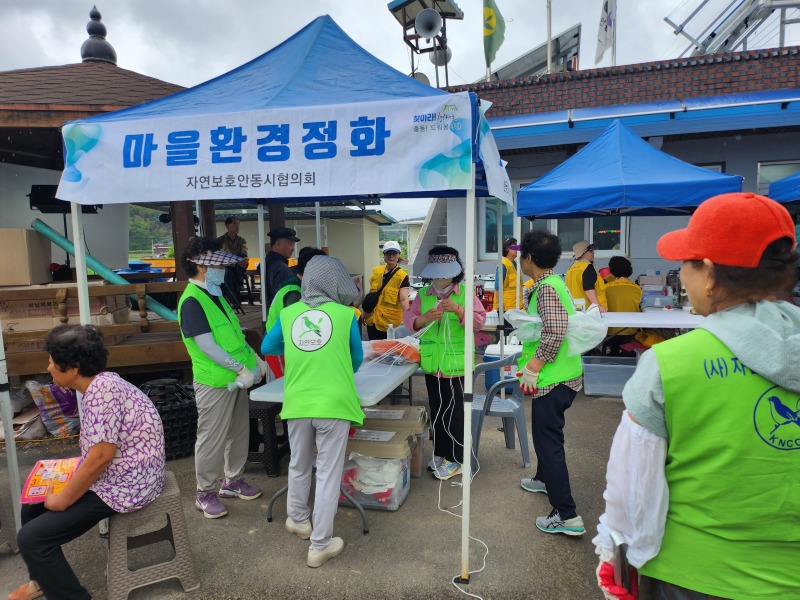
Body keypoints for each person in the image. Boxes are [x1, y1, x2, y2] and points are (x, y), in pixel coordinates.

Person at [593, 192, 800, 600]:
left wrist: (615, 557)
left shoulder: (669, 363)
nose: (682, 277)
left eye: (685, 264)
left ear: (708, 273)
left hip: (691, 576)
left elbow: (633, 494)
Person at [11, 325, 166, 600]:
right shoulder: (100, 384)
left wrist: (63, 499)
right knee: (32, 501)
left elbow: (101, 457)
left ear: (73, 368)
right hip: (121, 474)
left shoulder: (102, 391)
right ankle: (43, 581)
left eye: (52, 362)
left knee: (32, 538)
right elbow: (100, 454)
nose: (48, 367)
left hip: (128, 485)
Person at [260, 255, 364, 568]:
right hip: (334, 403)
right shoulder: (345, 315)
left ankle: (297, 519)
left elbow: (267, 347)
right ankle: (320, 544)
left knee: (299, 462)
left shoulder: (289, 313)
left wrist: (300, 349)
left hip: (298, 402)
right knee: (328, 473)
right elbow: (356, 359)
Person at [177, 237, 266, 519]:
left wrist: (255, 360)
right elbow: (207, 346)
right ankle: (204, 493)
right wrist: (241, 368)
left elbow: (235, 337)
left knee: (239, 431)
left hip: (237, 379)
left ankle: (233, 481)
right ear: (202, 267)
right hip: (215, 382)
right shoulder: (192, 301)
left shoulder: (215, 294)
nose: (223, 270)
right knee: (211, 438)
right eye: (218, 265)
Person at [516, 231, 585, 536]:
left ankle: (566, 515)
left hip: (553, 377)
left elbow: (555, 332)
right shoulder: (553, 283)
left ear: (529, 258)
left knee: (548, 443)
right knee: (547, 437)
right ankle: (544, 479)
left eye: (521, 255)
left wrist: (533, 366)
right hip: (562, 374)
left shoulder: (546, 289)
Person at [403, 246, 487, 481]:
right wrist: (423, 318)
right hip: (433, 365)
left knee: (456, 414)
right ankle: (441, 454)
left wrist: (459, 310)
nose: (440, 280)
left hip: (457, 365)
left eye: (444, 274)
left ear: (455, 273)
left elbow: (479, 322)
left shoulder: (466, 293)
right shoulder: (424, 295)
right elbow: (409, 321)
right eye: (436, 275)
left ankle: (457, 459)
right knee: (438, 411)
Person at [263, 247, 327, 377]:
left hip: (286, 346)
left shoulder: (301, 286)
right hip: (280, 348)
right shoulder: (293, 292)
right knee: (284, 385)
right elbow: (295, 329)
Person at [363, 240, 410, 340]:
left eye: (394, 253)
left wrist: (409, 318)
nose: (391, 256)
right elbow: (372, 296)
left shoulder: (402, 276)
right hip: (372, 320)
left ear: (399, 255)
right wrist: (365, 313)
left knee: (388, 349)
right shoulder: (376, 271)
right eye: (388, 253)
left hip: (389, 324)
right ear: (384, 255)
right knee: (373, 348)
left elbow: (404, 299)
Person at [604, 256, 642, 356]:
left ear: (611, 271)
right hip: (631, 329)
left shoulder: (605, 288)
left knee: (613, 350)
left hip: (610, 331)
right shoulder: (637, 288)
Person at [566, 240, 608, 312]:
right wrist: (598, 307)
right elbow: (589, 289)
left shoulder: (571, 269)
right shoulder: (587, 267)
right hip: (590, 312)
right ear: (583, 253)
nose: (593, 252)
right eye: (591, 250)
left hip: (576, 310)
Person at [264, 226, 300, 307]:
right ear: (278, 244)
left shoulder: (268, 262)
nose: (293, 249)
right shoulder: (280, 268)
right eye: (291, 244)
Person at [217, 216, 249, 304]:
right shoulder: (221, 240)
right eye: (234, 223)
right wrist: (238, 258)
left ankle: (234, 300)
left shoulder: (242, 240)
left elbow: (245, 252)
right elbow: (227, 254)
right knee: (229, 274)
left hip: (240, 264)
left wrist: (244, 258)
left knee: (242, 257)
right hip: (227, 265)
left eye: (238, 223)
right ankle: (239, 280)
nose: (237, 226)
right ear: (227, 226)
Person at [493, 237, 522, 314]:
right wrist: (500, 304)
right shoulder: (503, 265)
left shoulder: (515, 264)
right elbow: (497, 287)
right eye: (514, 246)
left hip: (516, 307)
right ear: (506, 248)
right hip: (506, 309)